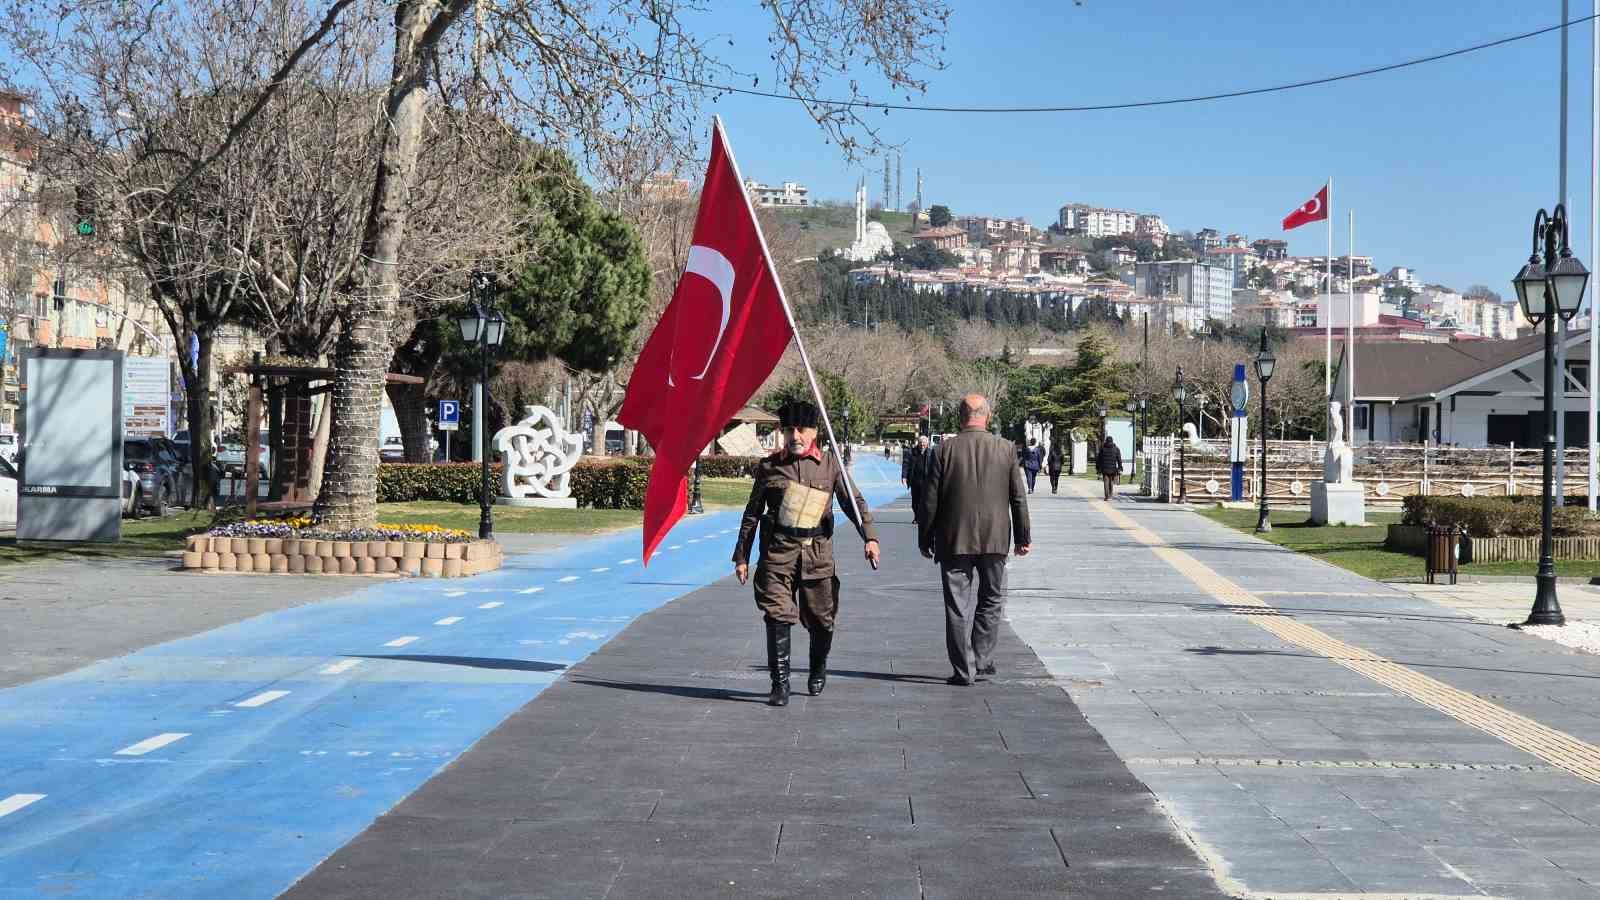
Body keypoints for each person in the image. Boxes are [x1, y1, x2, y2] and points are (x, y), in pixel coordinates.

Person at [734, 400, 881, 707]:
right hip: (778, 555)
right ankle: (780, 684)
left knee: (821, 620)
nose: (795, 436)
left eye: (801, 429)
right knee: (777, 615)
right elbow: (752, 513)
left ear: (814, 431)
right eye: (789, 430)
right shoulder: (769, 467)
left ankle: (818, 666)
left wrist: (870, 538)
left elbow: (854, 503)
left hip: (817, 555)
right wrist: (742, 556)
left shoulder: (830, 465)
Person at [918, 394, 1031, 686]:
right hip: (995, 538)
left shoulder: (943, 450)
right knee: (991, 599)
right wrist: (1023, 536)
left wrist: (925, 537)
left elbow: (929, 501)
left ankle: (963, 669)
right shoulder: (1005, 448)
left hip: (954, 539)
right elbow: (1018, 497)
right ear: (988, 416)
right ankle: (981, 659)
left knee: (957, 606)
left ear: (960, 416)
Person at [901, 434, 932, 525]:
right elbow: (905, 464)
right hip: (914, 481)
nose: (922, 445)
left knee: (925, 501)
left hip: (927, 482)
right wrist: (904, 477)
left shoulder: (931, 453)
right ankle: (917, 517)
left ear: (927, 444)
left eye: (924, 443)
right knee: (915, 501)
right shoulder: (911, 452)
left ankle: (923, 517)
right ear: (918, 443)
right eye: (921, 443)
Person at [1096, 434, 1123, 501]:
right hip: (1113, 469)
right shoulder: (1116, 449)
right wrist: (1120, 467)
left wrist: (1098, 468)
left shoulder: (1102, 449)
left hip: (1104, 469)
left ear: (1106, 441)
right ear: (1112, 441)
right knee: (1111, 482)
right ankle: (1110, 495)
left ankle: (1107, 496)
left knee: (1106, 482)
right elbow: (1119, 459)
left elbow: (1099, 459)